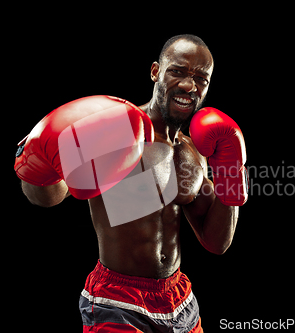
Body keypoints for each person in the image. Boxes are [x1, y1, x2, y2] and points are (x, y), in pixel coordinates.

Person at [14, 34, 248, 333]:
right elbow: (47, 197)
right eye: (177, 71)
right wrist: (36, 163)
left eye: (200, 78)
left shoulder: (192, 151)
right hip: (117, 300)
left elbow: (217, 243)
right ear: (155, 71)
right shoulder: (117, 132)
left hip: (178, 298)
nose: (189, 85)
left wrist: (232, 173)